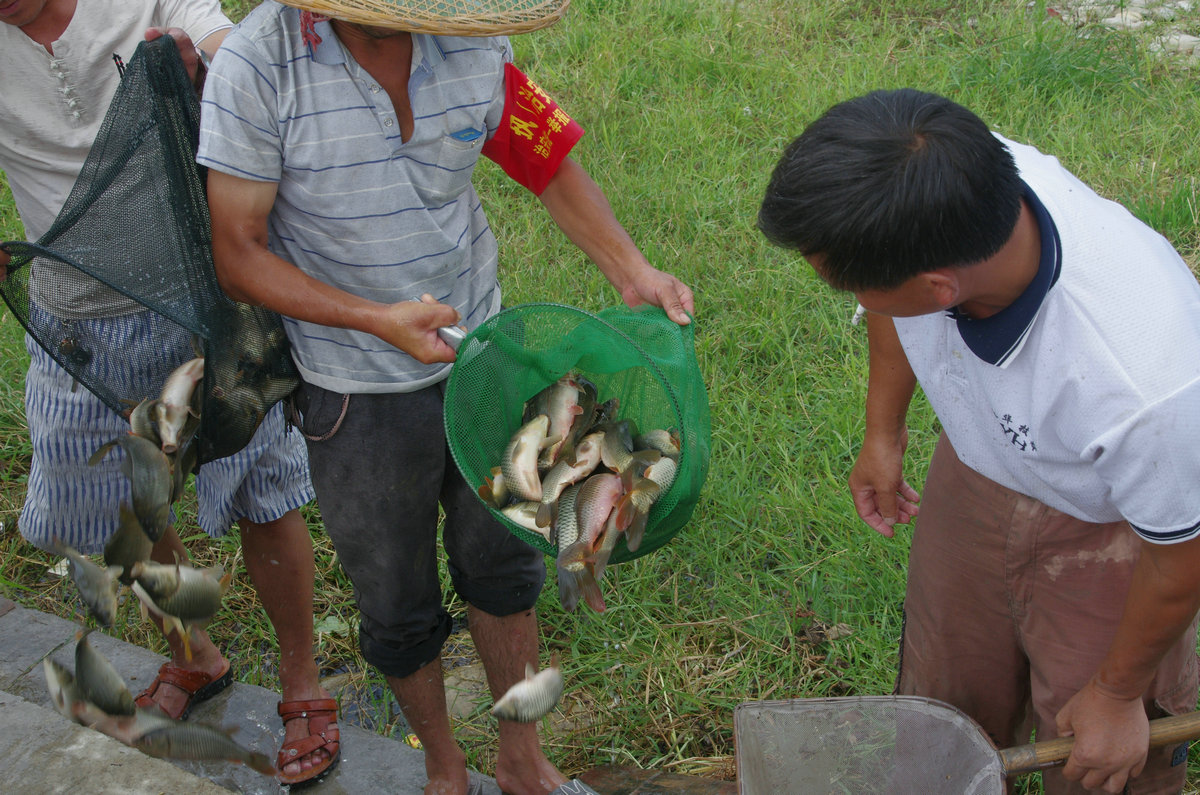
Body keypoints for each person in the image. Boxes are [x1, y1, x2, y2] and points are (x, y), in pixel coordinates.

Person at [198, 3, 693, 793]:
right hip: (354, 387)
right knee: (395, 598)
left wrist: (630, 270)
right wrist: (373, 319)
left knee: (503, 565)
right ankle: (443, 765)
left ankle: (522, 758)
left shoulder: (473, 40)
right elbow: (238, 254)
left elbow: (546, 159)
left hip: (482, 355)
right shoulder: (256, 67)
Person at [758, 88, 1200, 794]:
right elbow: (883, 299)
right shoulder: (943, 188)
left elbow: (1180, 561)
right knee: (940, 707)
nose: (859, 301)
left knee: (1097, 758)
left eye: (851, 285)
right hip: (977, 468)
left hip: (1116, 531)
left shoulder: (1146, 385)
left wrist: (1119, 694)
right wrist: (884, 430)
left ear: (939, 287)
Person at [0, 0, 338, 786]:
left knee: (263, 493)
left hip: (197, 302)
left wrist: (205, 61)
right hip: (71, 319)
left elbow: (227, 43)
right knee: (123, 506)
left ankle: (303, 685)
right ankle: (196, 656)